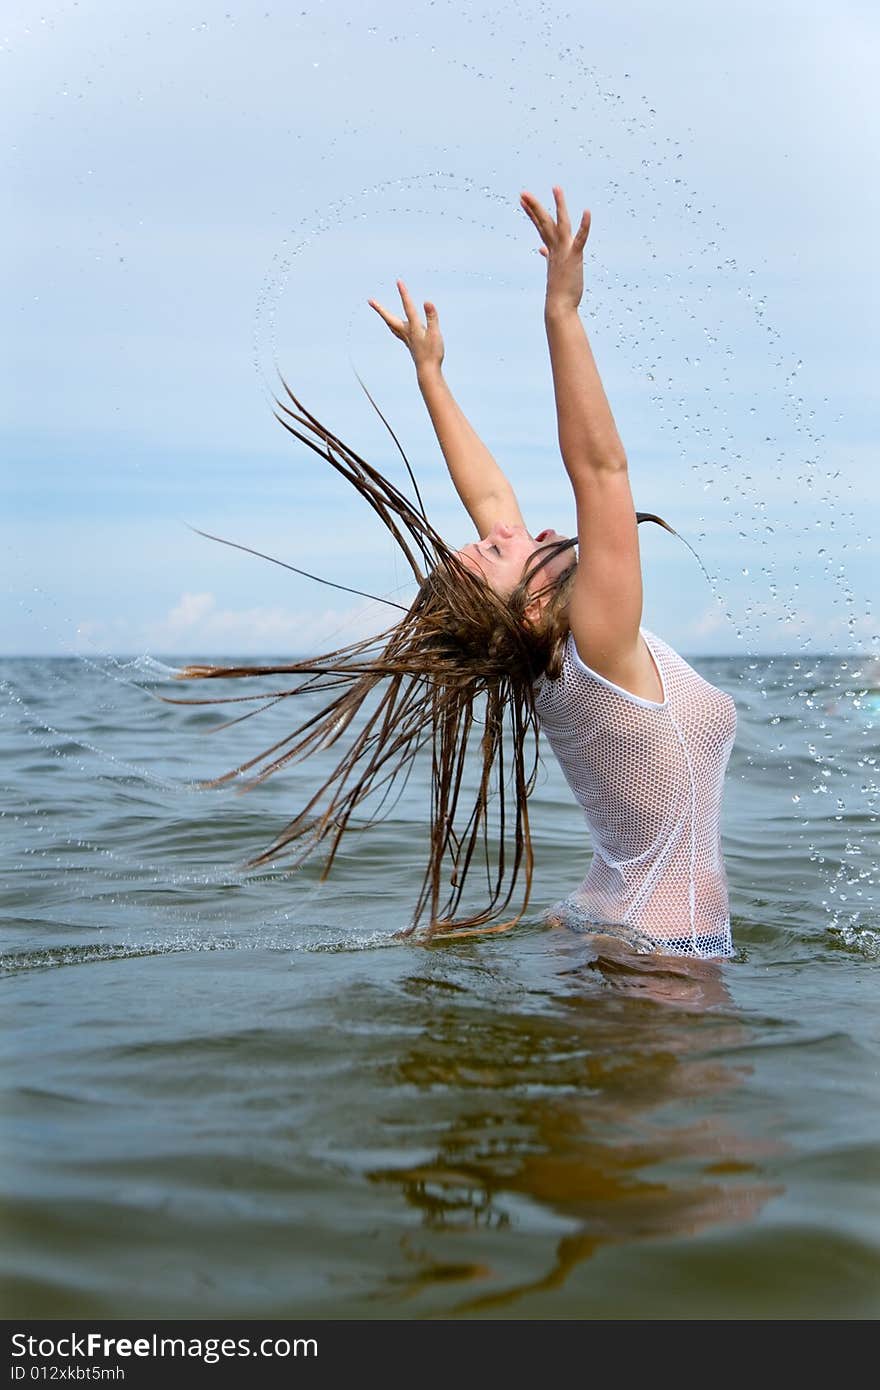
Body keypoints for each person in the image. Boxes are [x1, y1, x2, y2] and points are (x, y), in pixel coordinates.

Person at [175, 186, 737, 959]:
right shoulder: (600, 645)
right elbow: (601, 472)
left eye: (493, 540)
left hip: (611, 922)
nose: (515, 528)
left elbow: (490, 499)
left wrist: (430, 375)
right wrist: (562, 314)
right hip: (660, 953)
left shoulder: (549, 658)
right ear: (532, 610)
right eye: (502, 549)